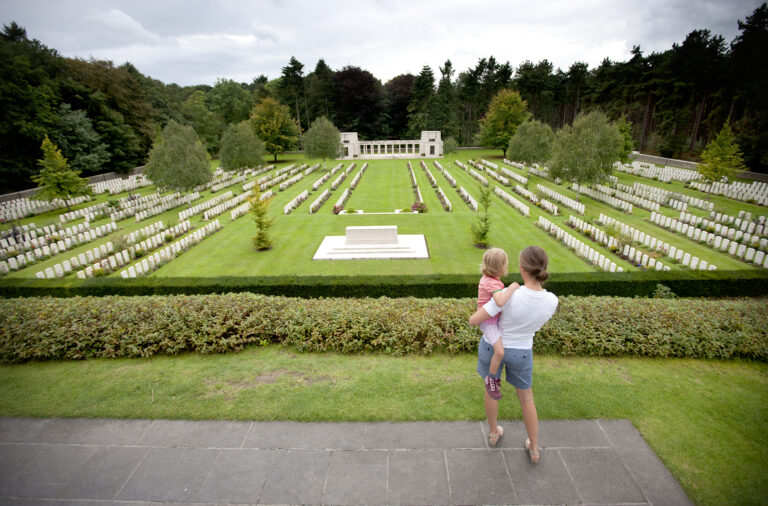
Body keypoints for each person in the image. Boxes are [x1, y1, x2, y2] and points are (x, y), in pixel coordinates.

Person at [469, 246, 558, 465]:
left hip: (493, 347)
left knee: (491, 388)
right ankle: (534, 447)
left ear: (521, 268)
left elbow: (476, 318)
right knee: (526, 397)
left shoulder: (509, 294)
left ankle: (493, 433)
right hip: (522, 352)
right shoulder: (552, 301)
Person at [476, 248, 519, 401]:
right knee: (500, 352)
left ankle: (492, 378)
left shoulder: (488, 279)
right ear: (500, 268)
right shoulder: (492, 284)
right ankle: (491, 379)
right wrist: (512, 287)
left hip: (493, 320)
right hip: (489, 323)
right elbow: (500, 301)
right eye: (504, 265)